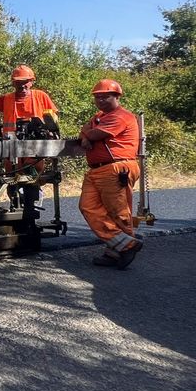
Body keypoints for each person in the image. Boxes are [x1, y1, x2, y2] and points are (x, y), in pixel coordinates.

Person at [77, 79, 143, 269]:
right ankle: (124, 245)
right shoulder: (99, 117)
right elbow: (85, 131)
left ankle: (118, 251)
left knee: (119, 212)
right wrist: (85, 135)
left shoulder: (122, 116)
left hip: (116, 168)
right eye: (97, 97)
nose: (101, 100)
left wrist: (88, 135)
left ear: (116, 96)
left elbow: (95, 135)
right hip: (96, 170)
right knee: (87, 207)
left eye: (105, 96)